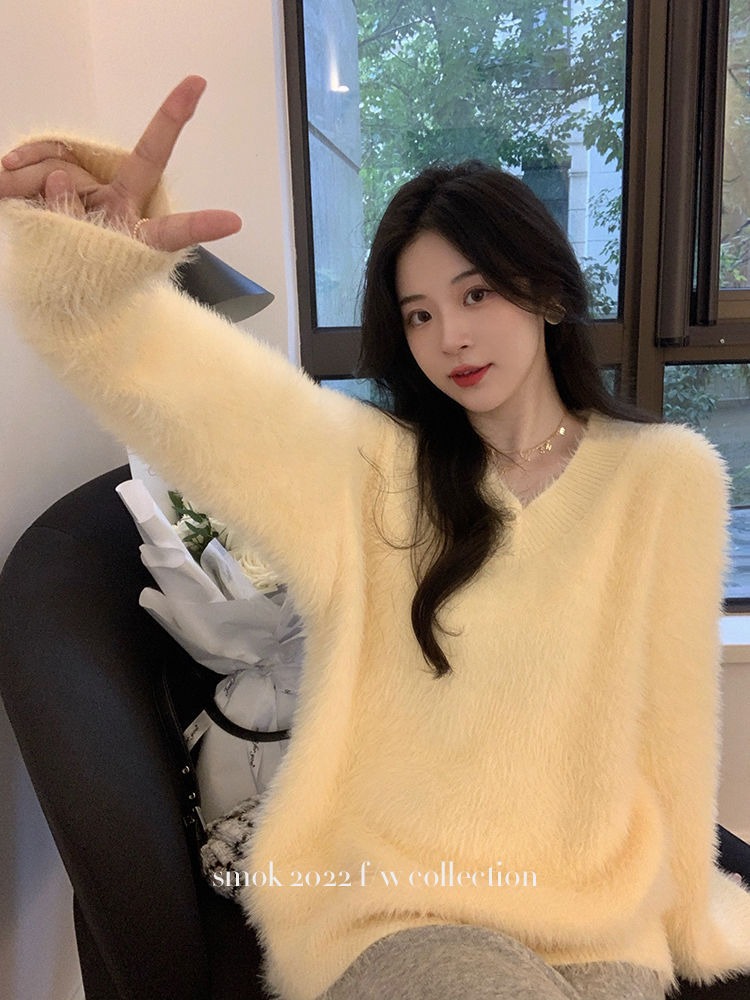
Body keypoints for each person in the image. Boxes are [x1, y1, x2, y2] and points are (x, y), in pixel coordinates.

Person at [1, 77, 749, 1000]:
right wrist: (92, 264)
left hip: (596, 909)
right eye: (420, 313)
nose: (451, 337)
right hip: (395, 903)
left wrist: (689, 914)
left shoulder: (669, 478)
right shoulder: (368, 469)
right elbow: (172, 385)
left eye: (477, 293)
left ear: (549, 292)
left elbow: (673, 728)